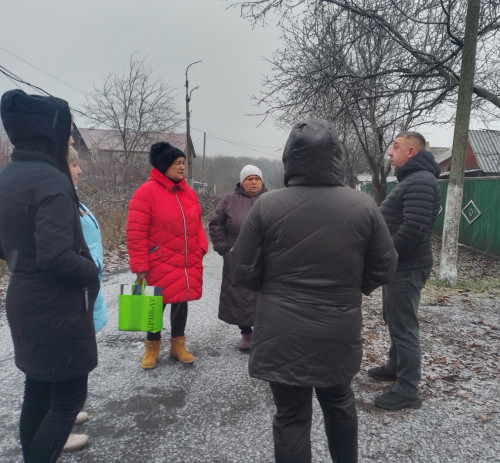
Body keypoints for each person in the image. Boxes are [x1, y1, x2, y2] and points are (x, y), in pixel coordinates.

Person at [230, 119, 397, 463]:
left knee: (291, 416)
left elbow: (242, 270)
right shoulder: (363, 205)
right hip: (338, 330)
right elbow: (385, 267)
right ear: (335, 157)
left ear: (290, 158)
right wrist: (352, 288)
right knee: (340, 405)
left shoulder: (266, 205)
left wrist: (275, 290)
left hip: (281, 333)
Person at [0, 89, 99, 462]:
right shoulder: (51, 182)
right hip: (56, 309)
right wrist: (91, 273)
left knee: (37, 392)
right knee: (67, 401)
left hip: (24, 299)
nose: (71, 137)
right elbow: (57, 256)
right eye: (68, 129)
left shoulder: (9, 174)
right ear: (50, 131)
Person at [368, 131, 441, 410]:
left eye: (395, 147)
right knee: (395, 318)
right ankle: (396, 365)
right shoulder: (413, 179)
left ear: (411, 152)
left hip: (406, 266)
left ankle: (408, 389)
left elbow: (414, 228)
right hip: (399, 265)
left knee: (404, 325)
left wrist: (386, 255)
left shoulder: (421, 180)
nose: (390, 152)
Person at [127, 141, 208, 369]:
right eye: (177, 163)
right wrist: (141, 263)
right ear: (164, 166)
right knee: (154, 305)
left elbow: (198, 224)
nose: (182, 167)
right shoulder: (146, 192)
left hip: (185, 261)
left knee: (181, 302)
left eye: (183, 163)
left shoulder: (189, 193)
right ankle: (152, 347)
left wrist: (201, 247)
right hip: (158, 261)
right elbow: (136, 232)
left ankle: (178, 345)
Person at [62, 146, 108, 451]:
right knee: (66, 363)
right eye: (75, 164)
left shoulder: (70, 198)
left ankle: (65, 413)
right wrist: (90, 272)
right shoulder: (58, 201)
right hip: (75, 295)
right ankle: (59, 427)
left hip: (87, 292)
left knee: (77, 363)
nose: (80, 170)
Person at [209, 165, 267, 350]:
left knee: (263, 295)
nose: (254, 182)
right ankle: (246, 333)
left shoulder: (270, 199)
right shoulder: (229, 199)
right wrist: (224, 248)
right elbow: (216, 223)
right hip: (236, 257)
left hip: (264, 258)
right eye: (249, 179)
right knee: (239, 294)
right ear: (242, 182)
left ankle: (263, 333)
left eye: (257, 179)